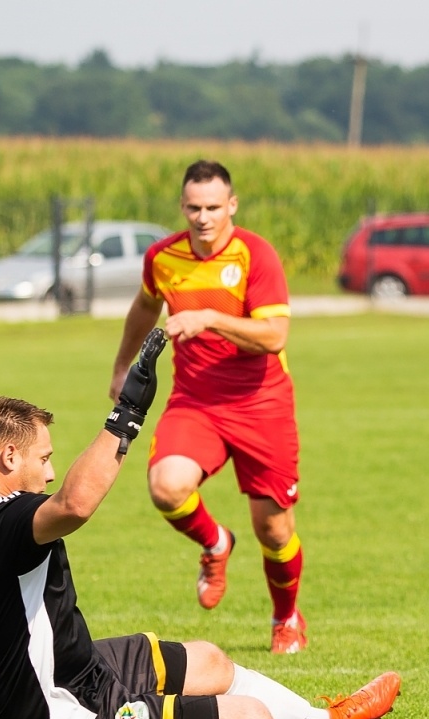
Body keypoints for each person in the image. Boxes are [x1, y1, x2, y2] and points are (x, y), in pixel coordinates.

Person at [0, 340, 400, 719]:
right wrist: (128, 413)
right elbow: (74, 504)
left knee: (209, 661)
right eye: (44, 458)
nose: (50, 472)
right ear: (8, 457)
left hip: (75, 671)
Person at [110, 160, 307, 654]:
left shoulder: (255, 256)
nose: (203, 217)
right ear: (182, 207)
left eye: (213, 207)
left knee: (274, 528)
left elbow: (274, 335)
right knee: (166, 486)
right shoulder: (162, 257)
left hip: (262, 403)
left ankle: (286, 617)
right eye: (194, 207)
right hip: (195, 401)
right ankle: (216, 543)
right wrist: (120, 367)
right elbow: (143, 307)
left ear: (232, 205)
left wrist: (209, 318)